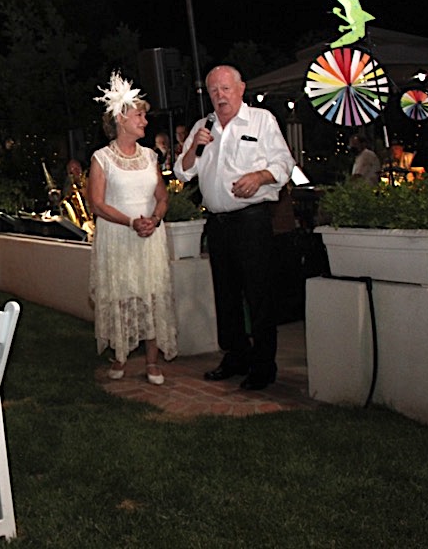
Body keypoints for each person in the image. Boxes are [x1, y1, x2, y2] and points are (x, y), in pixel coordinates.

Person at [174, 65, 295, 390]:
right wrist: (192, 149)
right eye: (214, 90)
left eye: (225, 88)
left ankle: (263, 364)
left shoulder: (261, 120)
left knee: (258, 293)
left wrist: (259, 177)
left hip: (251, 220)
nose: (220, 95)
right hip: (217, 223)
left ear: (241, 89)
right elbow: (182, 173)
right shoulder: (204, 126)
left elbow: (285, 164)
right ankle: (236, 355)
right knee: (225, 295)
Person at [89, 71, 177, 384]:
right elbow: (97, 204)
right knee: (122, 295)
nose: (144, 121)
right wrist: (130, 221)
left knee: (151, 293)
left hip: (149, 236)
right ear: (121, 118)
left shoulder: (152, 156)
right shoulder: (101, 158)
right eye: (139, 115)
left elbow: (162, 198)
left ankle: (152, 362)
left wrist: (154, 219)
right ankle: (121, 356)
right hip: (118, 236)